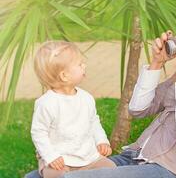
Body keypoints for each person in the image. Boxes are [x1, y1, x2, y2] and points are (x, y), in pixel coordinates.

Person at [25, 1, 176, 178]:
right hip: (136, 158)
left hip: (172, 171)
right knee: (34, 177)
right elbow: (138, 109)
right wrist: (156, 64)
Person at [30, 41, 115, 178]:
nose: (84, 66)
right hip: (60, 160)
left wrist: (101, 140)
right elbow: (39, 132)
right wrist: (51, 156)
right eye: (80, 64)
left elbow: (93, 121)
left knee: (111, 169)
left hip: (88, 156)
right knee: (55, 175)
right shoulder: (47, 104)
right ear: (64, 76)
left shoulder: (86, 98)